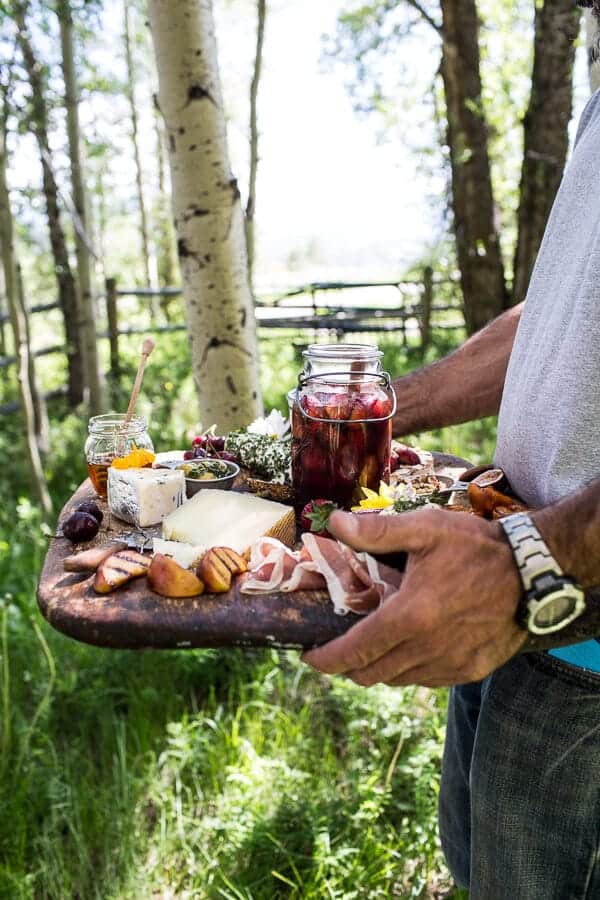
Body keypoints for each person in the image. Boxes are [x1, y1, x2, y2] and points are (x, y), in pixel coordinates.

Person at [303, 5, 600, 897]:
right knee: (480, 872)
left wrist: (537, 563)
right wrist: (377, 409)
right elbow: (560, 320)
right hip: (511, 585)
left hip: (578, 634)